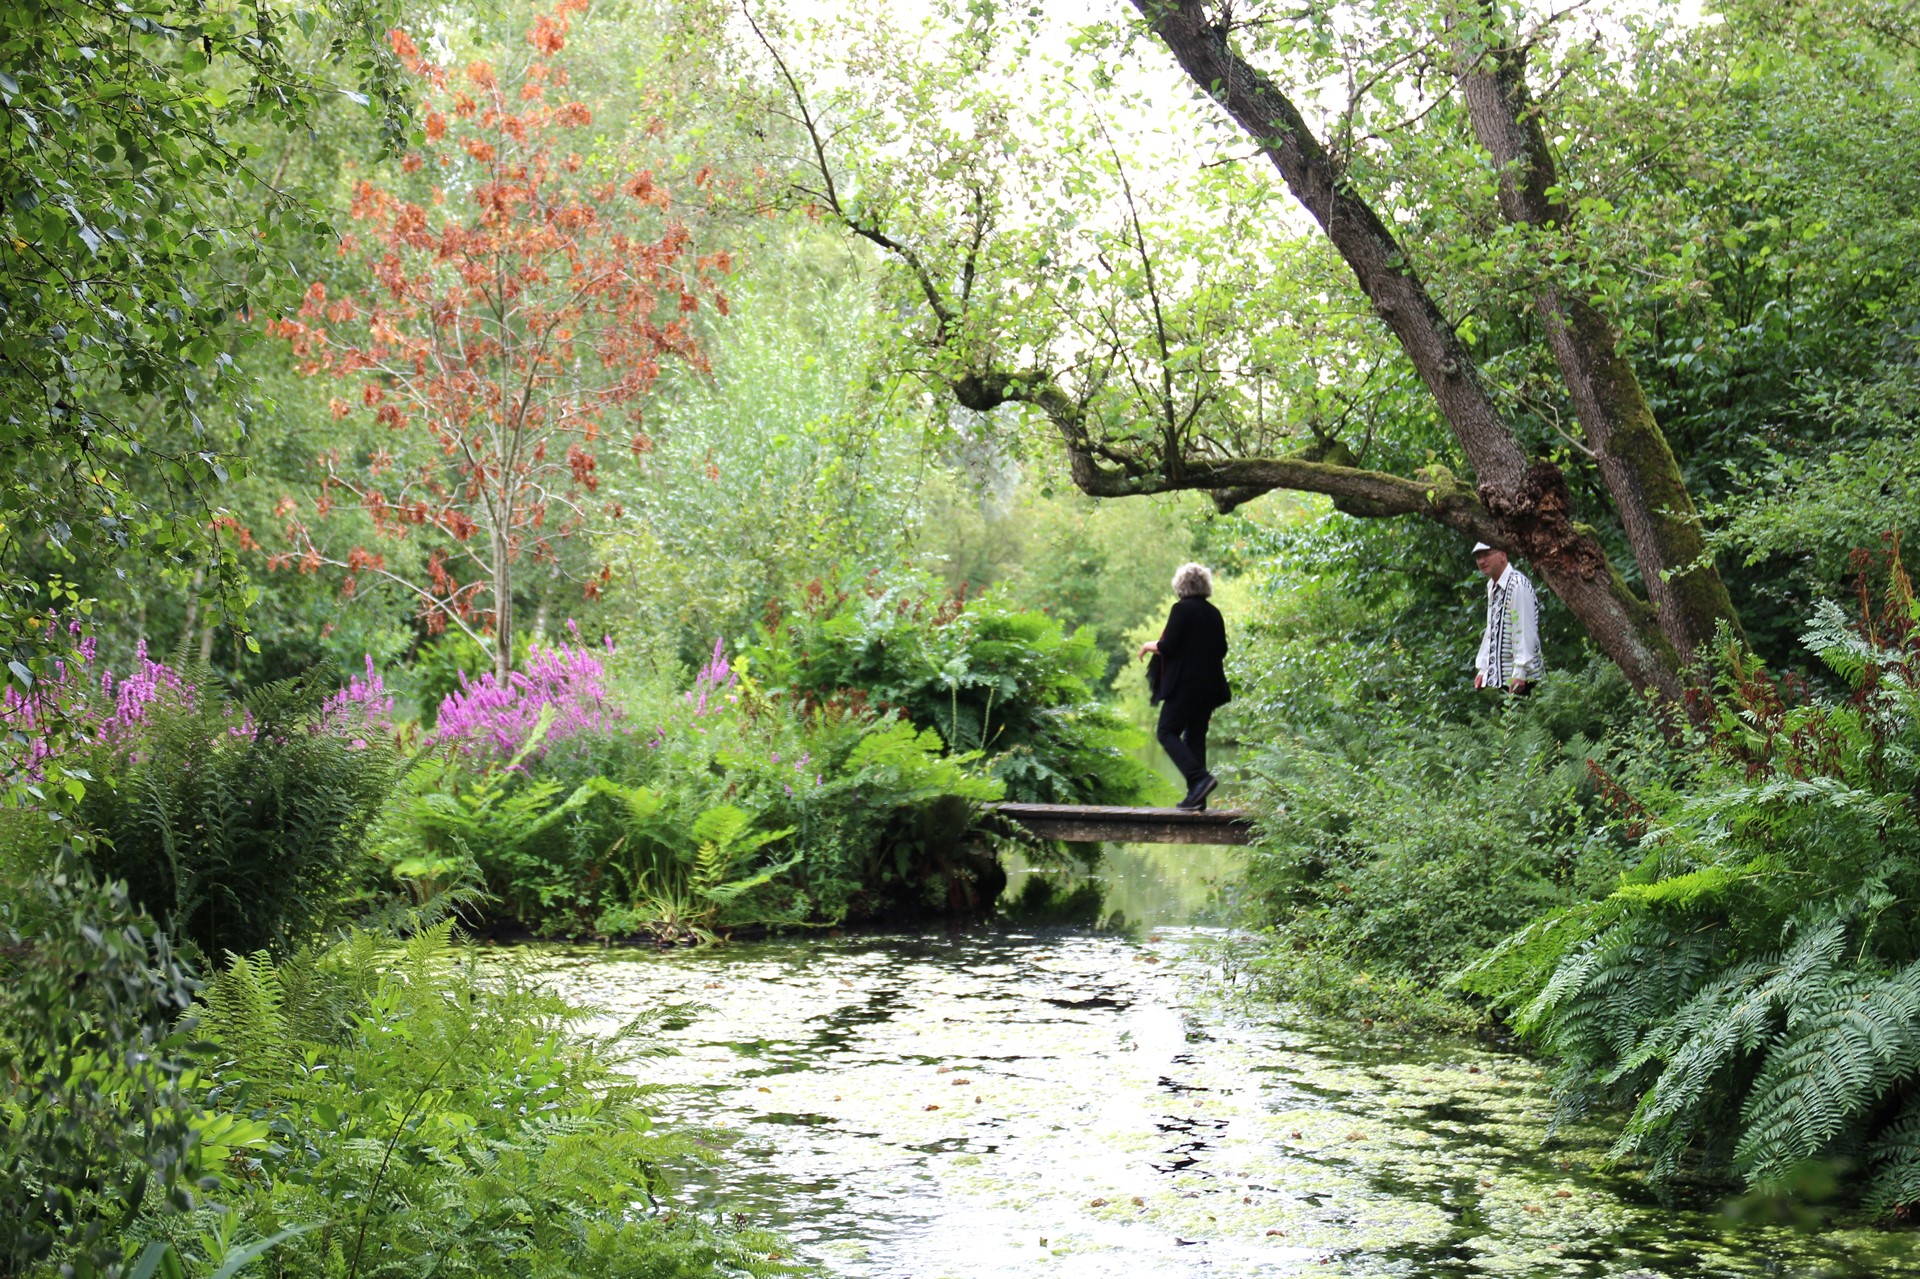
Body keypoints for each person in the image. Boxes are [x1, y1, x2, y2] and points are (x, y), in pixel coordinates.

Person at [1136, 562, 1231, 810]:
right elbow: (1222, 650)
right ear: (1205, 585)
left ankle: (1199, 779)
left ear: (1180, 585)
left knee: (1166, 732)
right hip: (1210, 688)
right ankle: (1196, 798)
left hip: (1185, 686)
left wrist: (1148, 644)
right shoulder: (1214, 613)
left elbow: (1168, 646)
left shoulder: (1181, 610)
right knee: (1195, 737)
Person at [1472, 541, 1543, 695]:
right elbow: (1493, 629)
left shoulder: (1518, 585)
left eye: (1486, 555)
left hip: (1523, 681)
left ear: (1502, 555)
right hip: (1504, 678)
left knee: (1524, 717)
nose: (1481, 561)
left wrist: (1520, 673)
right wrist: (1483, 669)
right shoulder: (1493, 586)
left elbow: (1524, 630)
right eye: (1478, 557)